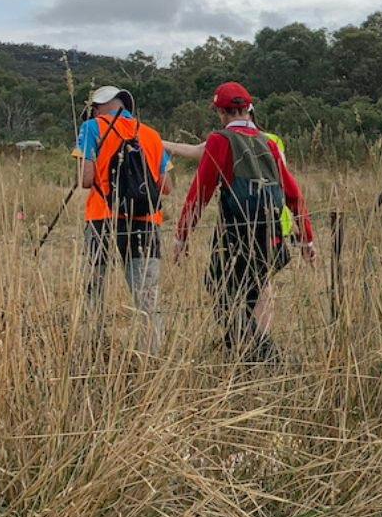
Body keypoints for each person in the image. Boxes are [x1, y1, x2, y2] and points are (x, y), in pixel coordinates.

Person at [171, 82, 315, 360]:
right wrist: (307, 238)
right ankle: (246, 354)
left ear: (221, 113)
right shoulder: (268, 143)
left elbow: (200, 193)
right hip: (270, 232)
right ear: (249, 109)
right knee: (252, 291)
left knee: (218, 286)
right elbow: (293, 194)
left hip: (236, 232)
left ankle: (264, 355)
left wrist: (182, 236)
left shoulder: (220, 140)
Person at [74, 85, 170, 350]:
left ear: (97, 107)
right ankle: (152, 352)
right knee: (146, 295)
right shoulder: (151, 134)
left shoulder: (91, 128)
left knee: (94, 289)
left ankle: (92, 348)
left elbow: (85, 179)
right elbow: (167, 186)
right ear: (124, 105)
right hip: (145, 220)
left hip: (102, 217)